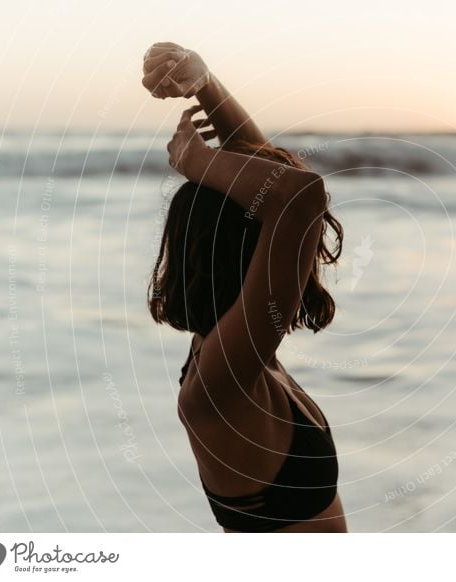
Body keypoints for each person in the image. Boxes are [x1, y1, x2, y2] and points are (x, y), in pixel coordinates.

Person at [142, 42, 347, 532]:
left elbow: (283, 188)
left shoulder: (244, 360)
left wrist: (206, 84)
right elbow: (298, 199)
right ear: (251, 249)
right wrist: (195, 161)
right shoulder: (220, 384)